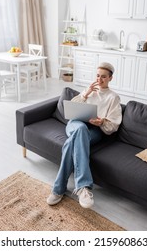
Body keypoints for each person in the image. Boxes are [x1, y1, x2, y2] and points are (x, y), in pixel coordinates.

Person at [47, 62, 122, 208]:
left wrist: (102, 122)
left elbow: (114, 125)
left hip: (94, 131)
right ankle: (83, 187)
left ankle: (58, 189)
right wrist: (85, 94)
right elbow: (70, 107)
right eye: (98, 76)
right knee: (80, 129)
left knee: (71, 143)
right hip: (75, 123)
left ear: (110, 78)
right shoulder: (89, 89)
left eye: (104, 77)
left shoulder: (113, 98)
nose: (99, 80)